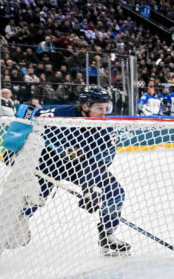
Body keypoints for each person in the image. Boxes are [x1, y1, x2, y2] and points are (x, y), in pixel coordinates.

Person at [8, 86, 130, 255]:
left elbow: (98, 163)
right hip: (49, 163)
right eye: (99, 108)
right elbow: (26, 113)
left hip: (82, 167)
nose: (104, 113)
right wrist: (13, 147)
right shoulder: (59, 114)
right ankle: (14, 227)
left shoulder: (106, 128)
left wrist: (90, 188)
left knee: (115, 193)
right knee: (34, 196)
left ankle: (107, 237)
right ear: (85, 106)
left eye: (106, 108)